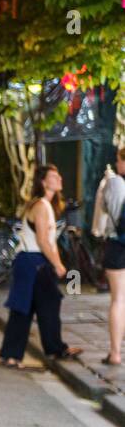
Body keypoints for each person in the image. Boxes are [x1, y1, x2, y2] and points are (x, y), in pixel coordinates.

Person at [0, 165, 83, 368]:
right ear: (44, 182)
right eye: (54, 176)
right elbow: (44, 240)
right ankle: (54, 348)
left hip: (28, 262)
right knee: (48, 303)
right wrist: (58, 264)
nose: (59, 178)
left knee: (25, 307)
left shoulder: (40, 204)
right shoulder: (42, 206)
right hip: (34, 261)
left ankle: (12, 355)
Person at [92, 150, 125, 366]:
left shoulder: (114, 183)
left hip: (117, 245)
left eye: (119, 160)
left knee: (118, 299)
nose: (116, 163)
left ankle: (115, 353)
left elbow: (104, 215)